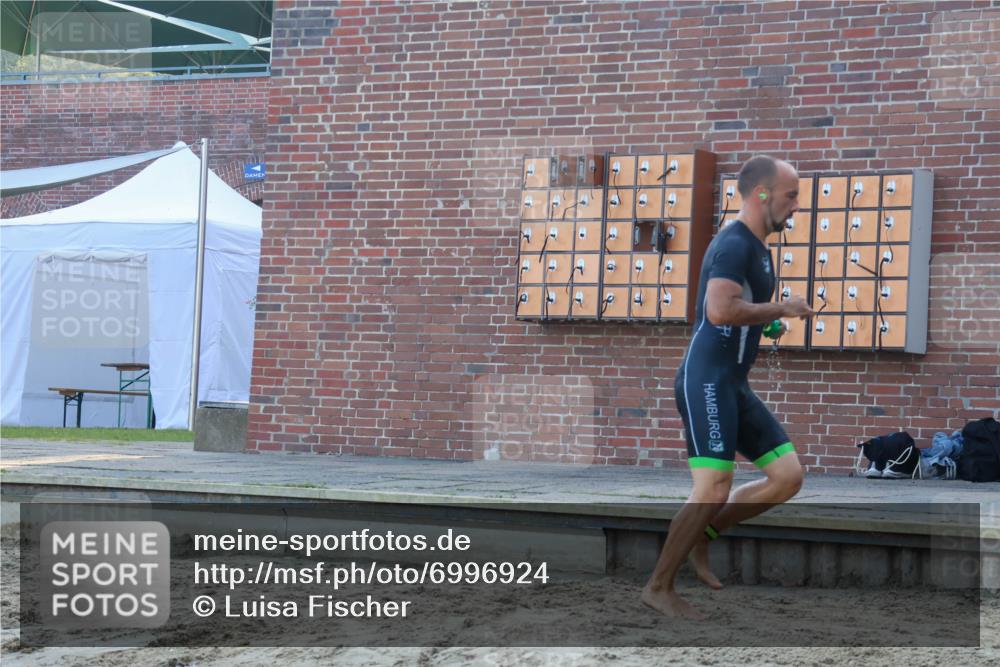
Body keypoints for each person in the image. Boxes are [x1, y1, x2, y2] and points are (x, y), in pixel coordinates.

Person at [641, 155, 817, 619]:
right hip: (707, 382)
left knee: (787, 478)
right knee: (713, 487)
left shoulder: (758, 248)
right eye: (791, 195)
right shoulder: (734, 245)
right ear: (762, 193)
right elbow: (719, 311)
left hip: (733, 384)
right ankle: (659, 586)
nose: (797, 205)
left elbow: (739, 313)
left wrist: (767, 326)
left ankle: (703, 535)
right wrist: (783, 309)